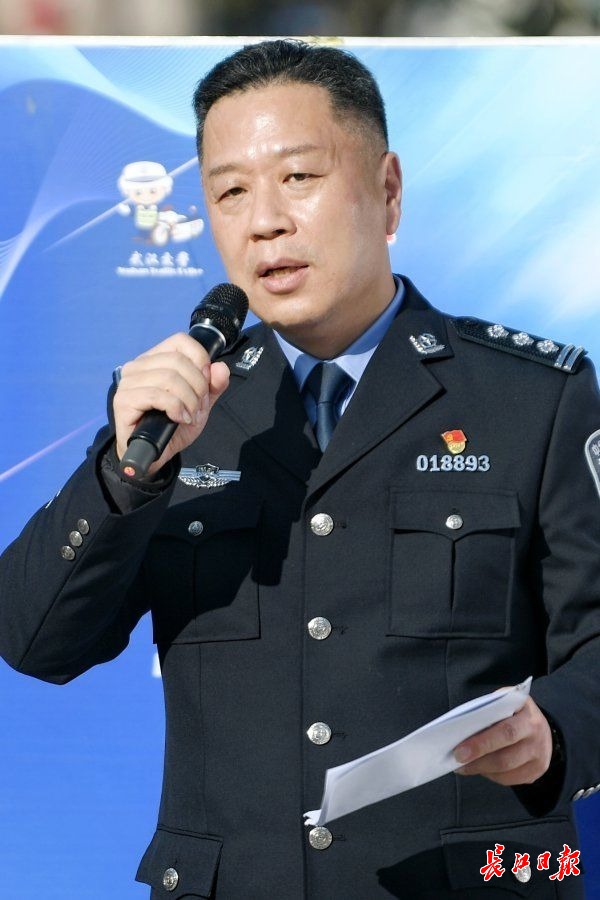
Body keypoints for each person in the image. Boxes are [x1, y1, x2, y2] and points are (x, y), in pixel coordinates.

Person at [1, 39, 599, 900]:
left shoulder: (531, 397)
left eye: (298, 178)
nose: (265, 221)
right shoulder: (178, 408)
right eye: (230, 191)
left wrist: (555, 734)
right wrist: (124, 480)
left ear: (387, 190)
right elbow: (34, 642)